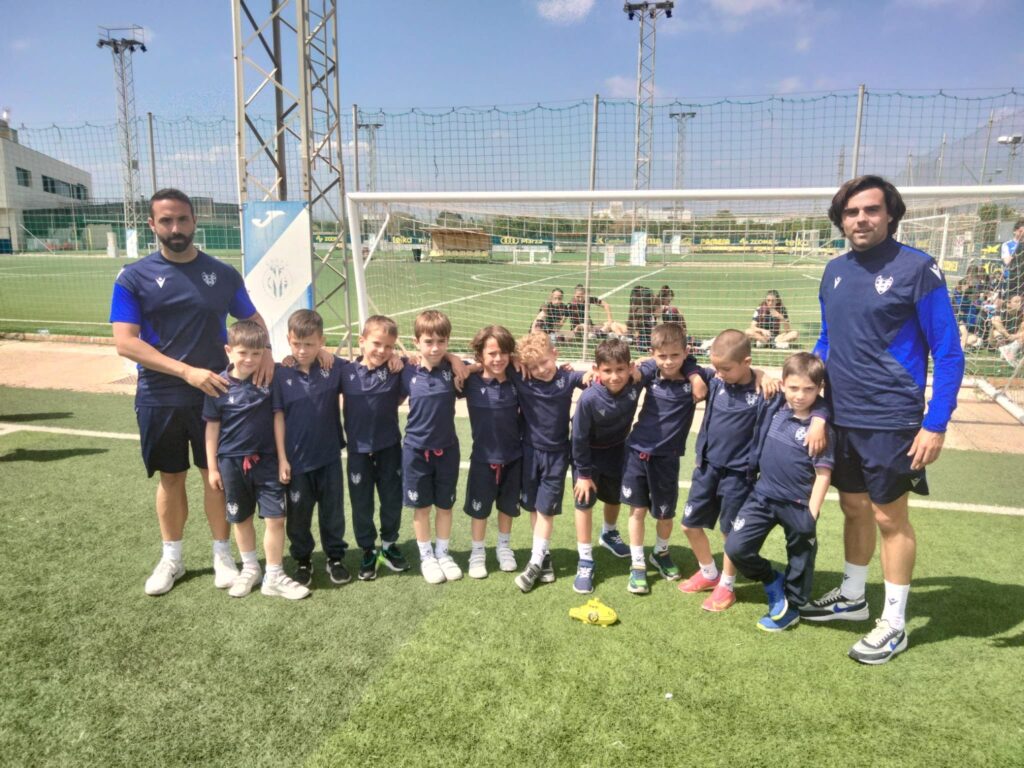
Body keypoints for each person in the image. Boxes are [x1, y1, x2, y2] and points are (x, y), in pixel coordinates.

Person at [804, 175, 965, 665]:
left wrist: (936, 422)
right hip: (842, 417)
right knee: (853, 508)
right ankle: (853, 597)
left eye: (871, 210)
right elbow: (828, 342)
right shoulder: (833, 271)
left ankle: (894, 623)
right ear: (841, 219)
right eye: (851, 212)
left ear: (890, 214)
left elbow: (949, 350)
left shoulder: (918, 269)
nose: (861, 219)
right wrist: (811, 398)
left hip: (891, 419)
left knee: (888, 517)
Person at [110, 188, 273, 596]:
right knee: (170, 478)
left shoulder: (222, 274)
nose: (175, 228)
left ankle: (222, 554)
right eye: (166, 221)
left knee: (215, 479)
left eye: (182, 219)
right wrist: (187, 372)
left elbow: (253, 319)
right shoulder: (133, 277)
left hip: (216, 397)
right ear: (152, 225)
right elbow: (126, 342)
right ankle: (173, 558)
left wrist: (267, 350)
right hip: (159, 395)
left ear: (194, 221)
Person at [678, 329, 826, 613]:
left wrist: (819, 419)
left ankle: (727, 586)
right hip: (707, 467)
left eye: (726, 368)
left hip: (738, 475)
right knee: (688, 524)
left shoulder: (765, 392)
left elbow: (810, 397)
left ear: (746, 362)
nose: (719, 373)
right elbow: (685, 362)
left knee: (728, 532)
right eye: (716, 367)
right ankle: (709, 573)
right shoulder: (714, 379)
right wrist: (701, 375)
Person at [724, 352, 835, 632]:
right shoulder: (776, 406)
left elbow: (824, 474)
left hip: (798, 505)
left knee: (800, 559)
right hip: (762, 495)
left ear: (819, 390)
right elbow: (754, 374)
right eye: (794, 388)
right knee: (736, 547)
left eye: (809, 389)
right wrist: (764, 376)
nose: (800, 395)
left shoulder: (820, 429)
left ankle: (793, 607)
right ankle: (772, 579)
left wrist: (812, 512)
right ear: (784, 384)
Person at [203, 320, 309, 600]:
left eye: (257, 353)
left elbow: (277, 418)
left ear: (265, 352)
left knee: (276, 518)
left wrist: (283, 458)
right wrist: (213, 467)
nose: (250, 359)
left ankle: (274, 574)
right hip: (231, 464)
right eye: (242, 353)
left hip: (268, 462)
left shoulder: (268, 380)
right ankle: (251, 568)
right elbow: (212, 428)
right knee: (242, 518)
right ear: (228, 350)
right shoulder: (218, 384)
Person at [620, 322, 706, 595]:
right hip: (637, 452)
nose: (668, 362)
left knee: (665, 514)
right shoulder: (650, 372)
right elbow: (635, 374)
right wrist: (634, 371)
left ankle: (660, 552)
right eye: (662, 356)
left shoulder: (697, 376)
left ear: (686, 352)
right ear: (653, 353)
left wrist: (762, 375)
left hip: (667, 459)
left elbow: (728, 372)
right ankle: (637, 564)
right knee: (637, 511)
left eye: (675, 356)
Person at [272, 309, 350, 588]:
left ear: (321, 341)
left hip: (329, 457)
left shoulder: (334, 367)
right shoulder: (280, 373)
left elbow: (365, 367)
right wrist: (282, 458)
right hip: (296, 461)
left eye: (309, 344)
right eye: (296, 344)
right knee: (298, 516)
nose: (302, 350)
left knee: (332, 512)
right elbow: (277, 417)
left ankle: (335, 558)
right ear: (289, 341)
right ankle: (303, 559)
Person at [509, 332, 588, 592]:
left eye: (544, 362)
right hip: (529, 452)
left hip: (557, 456)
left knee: (545, 509)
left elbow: (587, 377)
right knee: (534, 506)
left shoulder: (566, 378)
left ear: (555, 354)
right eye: (533, 366)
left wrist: (589, 376)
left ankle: (533, 563)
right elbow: (490, 362)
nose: (541, 370)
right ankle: (544, 556)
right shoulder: (522, 378)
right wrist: (515, 360)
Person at [340, 315, 411, 581]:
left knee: (391, 500)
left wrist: (402, 360)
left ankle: (390, 545)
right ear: (362, 341)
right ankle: (368, 550)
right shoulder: (344, 372)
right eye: (376, 344)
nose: (382, 351)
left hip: (389, 448)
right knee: (362, 504)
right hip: (358, 451)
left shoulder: (396, 369)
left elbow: (417, 364)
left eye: (389, 346)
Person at [570, 338, 643, 594]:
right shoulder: (589, 399)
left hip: (617, 451)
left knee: (614, 498)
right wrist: (584, 474)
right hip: (587, 456)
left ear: (630, 367)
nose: (615, 376)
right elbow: (578, 439)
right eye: (608, 371)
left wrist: (642, 367)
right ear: (597, 369)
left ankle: (609, 533)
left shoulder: (636, 383)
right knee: (585, 502)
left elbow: (658, 363)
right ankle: (585, 559)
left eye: (621, 369)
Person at [400, 310, 463, 584]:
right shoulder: (405, 370)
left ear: (447, 341)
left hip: (447, 450)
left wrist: (456, 359)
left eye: (441, 341)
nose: (435, 347)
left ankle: (443, 552)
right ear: (417, 342)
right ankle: (427, 556)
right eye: (428, 341)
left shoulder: (454, 370)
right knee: (422, 507)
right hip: (415, 452)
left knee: (445, 506)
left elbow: (483, 367)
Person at [461, 325, 522, 578]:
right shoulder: (469, 380)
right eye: (492, 353)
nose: (498, 359)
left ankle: (504, 547)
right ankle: (477, 551)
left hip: (513, 457)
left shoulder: (519, 378)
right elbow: (445, 363)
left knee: (507, 507)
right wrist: (463, 364)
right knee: (480, 509)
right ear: (480, 355)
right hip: (483, 458)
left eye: (504, 353)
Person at [991, 294, 1023, 365]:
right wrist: (1008, 336)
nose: (1020, 304)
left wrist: (1015, 336)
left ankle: (1009, 352)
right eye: (1016, 301)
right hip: (999, 339)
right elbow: (995, 322)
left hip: (1015, 339)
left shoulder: (1022, 314)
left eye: (1021, 301)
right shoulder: (1001, 312)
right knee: (996, 328)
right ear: (1009, 304)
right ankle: (1005, 349)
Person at [999, 218, 1024, 299]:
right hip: (1011, 280)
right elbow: (1007, 262)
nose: (1022, 234)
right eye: (1020, 231)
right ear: (1015, 231)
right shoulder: (1007, 245)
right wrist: (1019, 247)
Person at [626, 285, 657, 352]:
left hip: (641, 344)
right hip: (644, 343)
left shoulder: (640, 313)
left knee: (615, 326)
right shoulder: (648, 314)